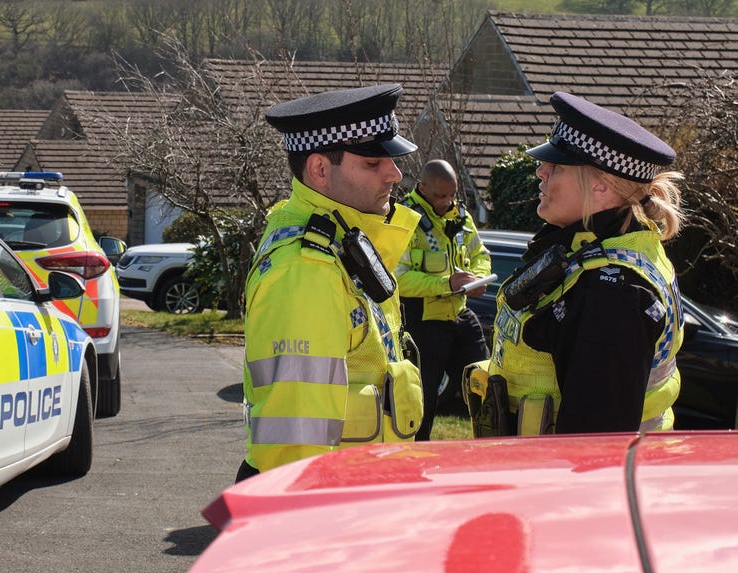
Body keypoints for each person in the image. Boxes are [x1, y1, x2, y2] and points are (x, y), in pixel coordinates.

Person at [465, 91, 685, 437]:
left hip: (567, 486)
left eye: (557, 166)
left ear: (600, 185)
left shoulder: (612, 293)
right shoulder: (597, 251)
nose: (540, 171)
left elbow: (594, 450)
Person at [236, 84, 425, 482]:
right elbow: (298, 435)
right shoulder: (307, 268)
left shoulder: (342, 242)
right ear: (320, 170)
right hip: (326, 504)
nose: (395, 173)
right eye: (373, 164)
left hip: (357, 491)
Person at [394, 160, 492, 441]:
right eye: (440, 196)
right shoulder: (404, 219)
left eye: (452, 194)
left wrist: (477, 278)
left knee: (487, 385)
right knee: (422, 399)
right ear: (422, 188)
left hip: (460, 314)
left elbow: (480, 254)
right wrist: (446, 284)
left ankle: (492, 449)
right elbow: (398, 278)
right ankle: (415, 460)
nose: (447, 201)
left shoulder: (460, 215)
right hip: (423, 322)